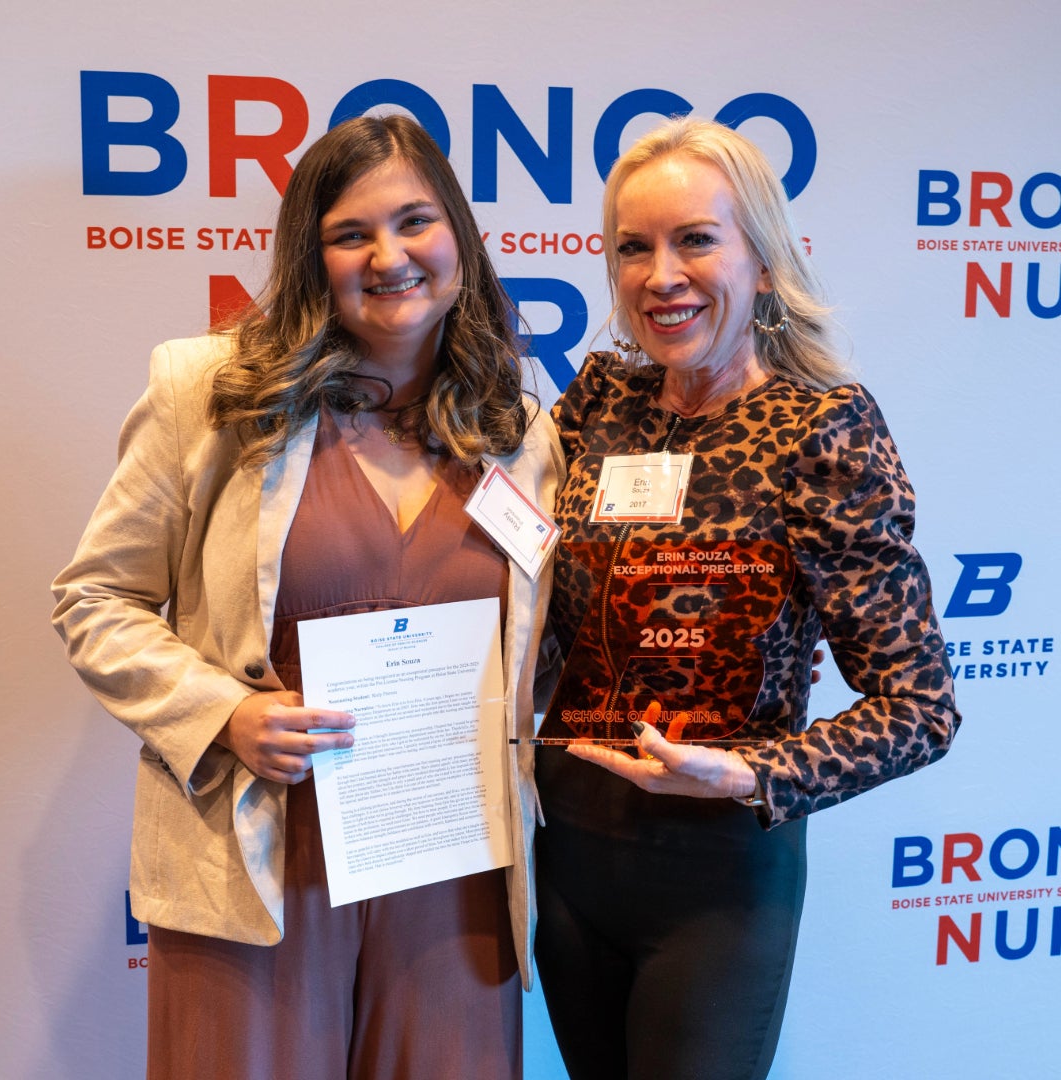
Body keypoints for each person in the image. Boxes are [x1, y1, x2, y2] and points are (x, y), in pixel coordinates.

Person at [52, 114, 563, 1080]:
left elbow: (542, 660)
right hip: (260, 865)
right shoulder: (210, 395)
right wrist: (226, 713)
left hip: (450, 868)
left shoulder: (521, 435)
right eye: (349, 234)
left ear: (458, 235)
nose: (390, 256)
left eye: (416, 222)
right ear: (308, 256)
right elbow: (95, 599)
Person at [532, 116, 960, 1080]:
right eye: (632, 248)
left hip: (715, 871)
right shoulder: (600, 401)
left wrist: (754, 775)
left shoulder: (824, 429)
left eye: (695, 239)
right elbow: (541, 599)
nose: (660, 275)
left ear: (762, 260)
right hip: (569, 846)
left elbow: (923, 710)